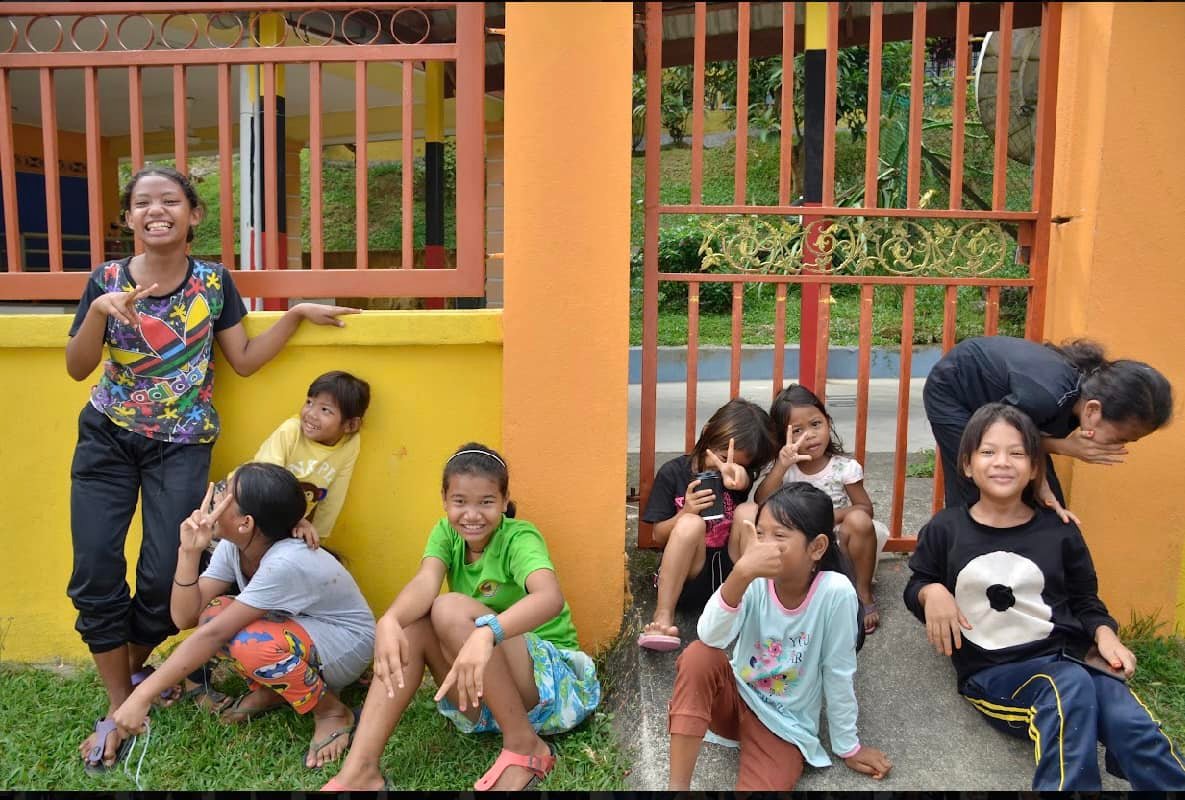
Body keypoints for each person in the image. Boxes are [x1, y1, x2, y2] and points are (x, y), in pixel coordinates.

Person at [66, 165, 359, 773]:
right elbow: (77, 367)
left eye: (170, 200)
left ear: (193, 215)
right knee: (96, 568)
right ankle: (121, 703)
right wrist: (99, 310)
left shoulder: (213, 282)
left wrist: (296, 312)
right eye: (143, 203)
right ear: (129, 219)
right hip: (107, 440)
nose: (156, 210)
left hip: (182, 444)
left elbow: (245, 360)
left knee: (161, 574)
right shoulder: (107, 280)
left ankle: (142, 675)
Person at [904, 403, 1185, 791]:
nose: (1002, 462)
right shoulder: (946, 528)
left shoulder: (1060, 531)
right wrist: (930, 590)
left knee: (1128, 720)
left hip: (1068, 656)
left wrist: (1106, 634)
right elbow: (918, 580)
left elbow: (1086, 600)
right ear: (967, 464)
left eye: (1017, 453)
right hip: (995, 673)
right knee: (1065, 685)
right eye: (988, 452)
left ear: (1036, 467)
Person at [321, 443, 601, 792]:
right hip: (484, 697)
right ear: (444, 499)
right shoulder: (445, 534)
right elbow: (426, 581)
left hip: (548, 688)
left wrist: (488, 633)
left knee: (447, 607)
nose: (472, 514)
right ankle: (360, 770)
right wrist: (389, 620)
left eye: (486, 502)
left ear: (503, 500)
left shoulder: (518, 537)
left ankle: (526, 746)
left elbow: (549, 597)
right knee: (413, 624)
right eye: (460, 502)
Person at [110, 463, 376, 769]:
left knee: (249, 642)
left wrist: (141, 694)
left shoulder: (285, 561)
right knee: (214, 614)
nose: (216, 491)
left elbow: (213, 637)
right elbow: (187, 617)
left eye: (226, 491)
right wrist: (188, 551)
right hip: (305, 631)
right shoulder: (234, 546)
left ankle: (332, 712)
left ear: (246, 522)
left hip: (347, 644)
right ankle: (274, 690)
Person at [667, 483, 892, 790]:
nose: (764, 545)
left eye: (780, 536)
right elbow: (710, 636)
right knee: (697, 655)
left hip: (783, 724)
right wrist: (740, 576)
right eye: (760, 533)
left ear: (817, 547)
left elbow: (838, 671)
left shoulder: (835, 593)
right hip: (734, 700)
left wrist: (847, 746)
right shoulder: (754, 578)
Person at [922, 335, 1172, 521]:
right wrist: (1064, 448)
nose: (1119, 446)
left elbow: (1025, 436)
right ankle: (953, 570)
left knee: (1049, 505)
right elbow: (1000, 440)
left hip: (1008, 410)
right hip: (955, 391)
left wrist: (1044, 487)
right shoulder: (1047, 397)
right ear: (1093, 411)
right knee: (980, 483)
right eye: (1122, 438)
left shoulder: (1074, 400)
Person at [637, 398, 777, 652]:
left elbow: (744, 482)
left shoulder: (735, 477)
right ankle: (663, 618)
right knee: (690, 524)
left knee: (749, 511)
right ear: (707, 435)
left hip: (728, 578)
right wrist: (686, 512)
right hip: (689, 576)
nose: (729, 465)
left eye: (742, 463)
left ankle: (762, 610)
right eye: (725, 457)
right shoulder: (673, 473)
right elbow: (658, 535)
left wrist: (741, 475)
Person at [755, 384, 889, 635]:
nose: (810, 435)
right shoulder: (785, 469)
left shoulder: (843, 468)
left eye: (816, 424)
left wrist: (825, 519)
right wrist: (782, 467)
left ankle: (863, 591)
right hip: (801, 546)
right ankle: (796, 595)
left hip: (838, 541)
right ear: (782, 436)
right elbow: (761, 501)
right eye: (797, 430)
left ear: (828, 423)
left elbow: (864, 508)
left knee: (859, 520)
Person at [252, 370, 371, 545]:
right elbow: (265, 479)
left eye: (325, 410)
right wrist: (297, 520)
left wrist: (317, 539)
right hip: (242, 499)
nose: (311, 414)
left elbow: (334, 496)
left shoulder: (350, 444)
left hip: (280, 520)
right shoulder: (291, 430)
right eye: (309, 402)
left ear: (351, 425)